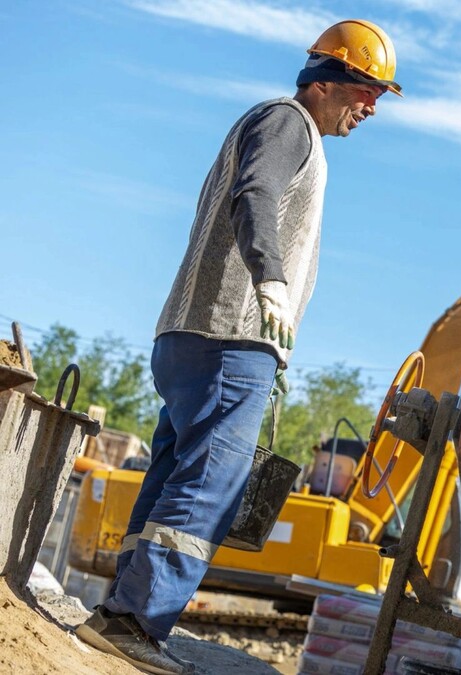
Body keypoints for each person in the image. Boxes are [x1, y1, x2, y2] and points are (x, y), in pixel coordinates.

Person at [75, 19, 403, 674]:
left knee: (173, 472)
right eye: (368, 90)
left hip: (196, 335)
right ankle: (136, 618)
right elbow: (255, 194)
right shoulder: (289, 124)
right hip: (229, 335)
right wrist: (272, 280)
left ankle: (119, 611)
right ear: (330, 81)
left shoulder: (282, 127)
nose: (371, 108)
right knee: (212, 485)